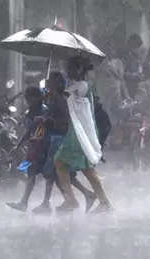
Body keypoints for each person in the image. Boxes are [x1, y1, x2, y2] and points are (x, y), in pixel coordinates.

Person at [54, 57, 113, 213]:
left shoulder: (82, 86)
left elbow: (63, 100)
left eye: (71, 68)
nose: (68, 71)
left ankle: (74, 200)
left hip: (80, 133)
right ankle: (98, 201)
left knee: (67, 164)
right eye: (67, 68)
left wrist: (55, 89)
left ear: (79, 70)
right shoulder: (77, 85)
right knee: (79, 167)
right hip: (78, 131)